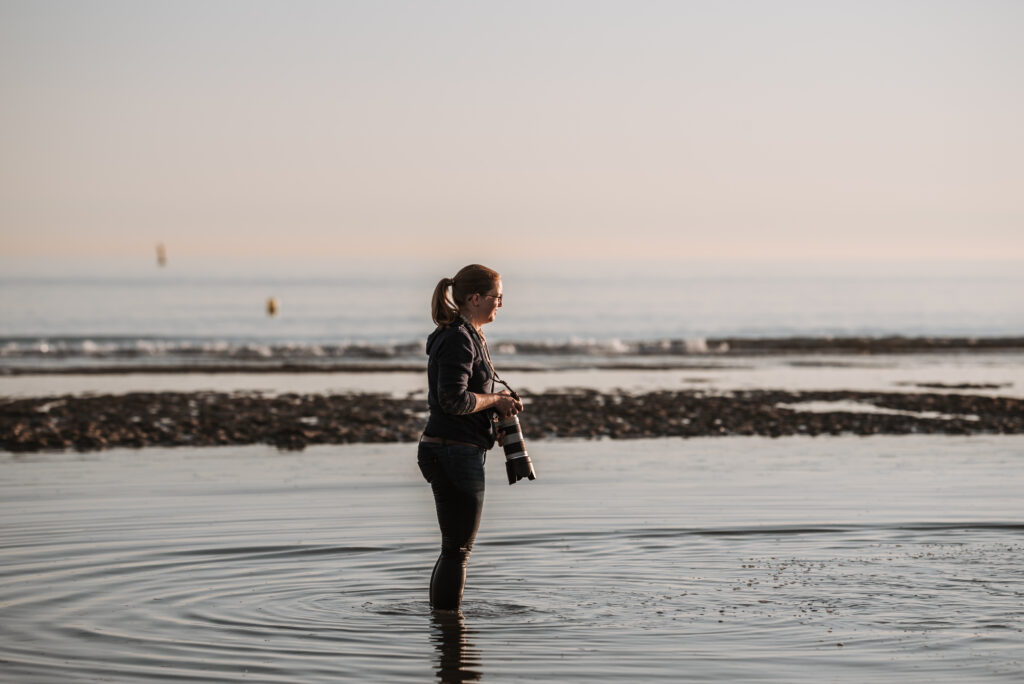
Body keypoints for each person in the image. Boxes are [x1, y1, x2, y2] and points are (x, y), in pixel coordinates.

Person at [418, 264, 523, 612]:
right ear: (475, 298)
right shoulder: (458, 339)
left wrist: (498, 405)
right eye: (497, 297)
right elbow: (454, 400)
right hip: (452, 452)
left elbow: (460, 399)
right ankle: (449, 632)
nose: (500, 305)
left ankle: (442, 626)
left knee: (454, 549)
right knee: (458, 550)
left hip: (452, 449)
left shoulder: (467, 335)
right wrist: (496, 400)